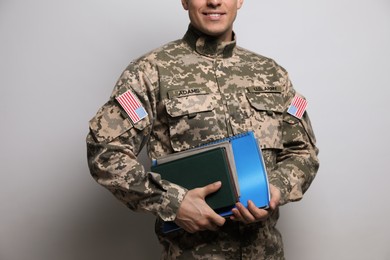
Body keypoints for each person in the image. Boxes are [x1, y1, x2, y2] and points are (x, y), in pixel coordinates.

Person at [86, 0, 320, 259]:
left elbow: (303, 152)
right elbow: (105, 152)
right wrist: (173, 202)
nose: (214, 1)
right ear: (184, 1)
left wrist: (275, 189)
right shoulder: (150, 72)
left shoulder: (272, 74)